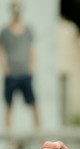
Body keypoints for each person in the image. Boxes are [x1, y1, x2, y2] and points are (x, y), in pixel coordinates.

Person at [0, 1, 40, 131]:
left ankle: (39, 134)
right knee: (9, 106)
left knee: (33, 103)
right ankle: (9, 138)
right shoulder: (5, 31)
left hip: (25, 73)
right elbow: (1, 51)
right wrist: (4, 68)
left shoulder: (27, 30)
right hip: (11, 74)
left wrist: (32, 67)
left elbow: (31, 50)